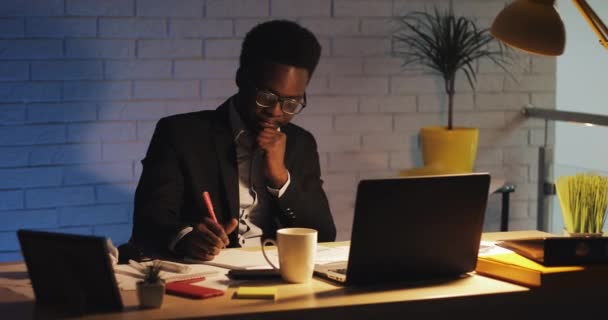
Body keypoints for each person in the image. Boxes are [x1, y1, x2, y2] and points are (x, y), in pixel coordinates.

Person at [129, 20, 336, 261]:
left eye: (291, 103)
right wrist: (185, 237)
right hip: (208, 271)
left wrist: (280, 179)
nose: (276, 112)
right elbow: (149, 222)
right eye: (266, 97)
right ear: (241, 78)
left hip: (276, 273)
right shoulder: (180, 134)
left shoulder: (301, 143)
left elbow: (323, 235)